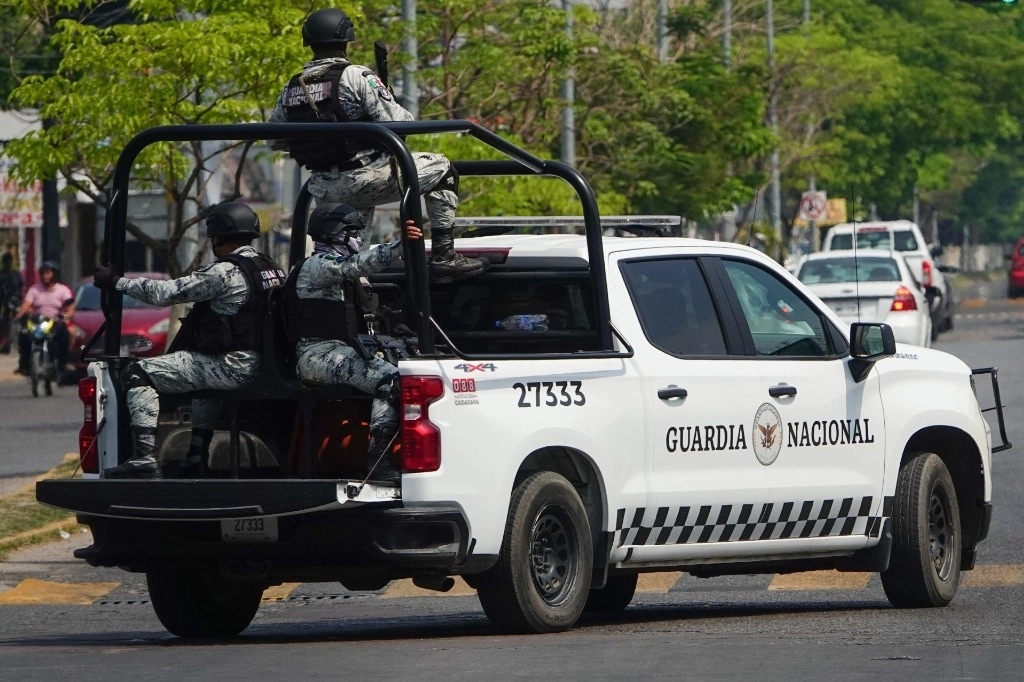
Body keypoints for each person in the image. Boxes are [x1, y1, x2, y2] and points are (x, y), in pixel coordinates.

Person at [268, 7, 485, 284]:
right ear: (346, 39)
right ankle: (444, 256)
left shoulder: (292, 86)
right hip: (366, 179)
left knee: (350, 263)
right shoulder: (356, 76)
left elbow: (276, 140)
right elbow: (400, 122)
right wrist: (387, 100)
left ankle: (355, 314)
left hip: (323, 189)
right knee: (444, 168)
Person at [93, 202, 286, 479]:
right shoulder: (270, 267)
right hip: (264, 365)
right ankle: (196, 457)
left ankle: (143, 459)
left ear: (217, 237)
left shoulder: (224, 273)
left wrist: (117, 282)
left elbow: (165, 293)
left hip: (232, 367)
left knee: (138, 373)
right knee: (202, 383)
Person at [284, 203, 421, 483]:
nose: (358, 238)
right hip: (317, 356)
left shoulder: (336, 271)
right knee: (391, 380)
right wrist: (399, 246)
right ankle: (380, 461)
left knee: (407, 371)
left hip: (337, 351)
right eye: (354, 233)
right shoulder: (319, 266)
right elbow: (357, 265)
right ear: (338, 234)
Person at [14, 260, 73, 376]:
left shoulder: (63, 290)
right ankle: (24, 364)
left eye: (48, 273)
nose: (45, 276)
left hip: (55, 321)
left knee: (65, 335)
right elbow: (26, 304)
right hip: (38, 321)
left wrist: (66, 316)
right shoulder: (34, 289)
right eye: (43, 273)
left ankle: (63, 363)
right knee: (23, 334)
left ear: (54, 274)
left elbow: (70, 307)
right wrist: (19, 315)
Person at [0, 252, 24, 353]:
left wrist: (18, 299)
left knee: (17, 321)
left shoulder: (15, 274)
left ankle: (16, 343)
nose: (7, 263)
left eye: (8, 261)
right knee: (5, 322)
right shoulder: (1, 274)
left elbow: (20, 286)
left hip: (15, 301)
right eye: (5, 261)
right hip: (3, 301)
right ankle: (6, 344)